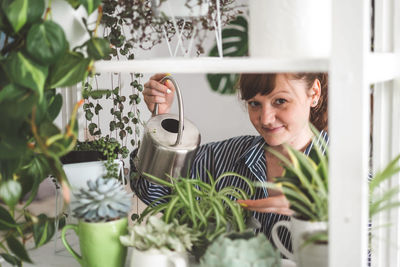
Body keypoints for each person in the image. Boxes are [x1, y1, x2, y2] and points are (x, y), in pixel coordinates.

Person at [130, 72, 328, 251]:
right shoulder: (225, 158)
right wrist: (162, 122)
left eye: (280, 101)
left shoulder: (345, 169)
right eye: (254, 103)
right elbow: (155, 192)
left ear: (314, 93)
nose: (266, 118)